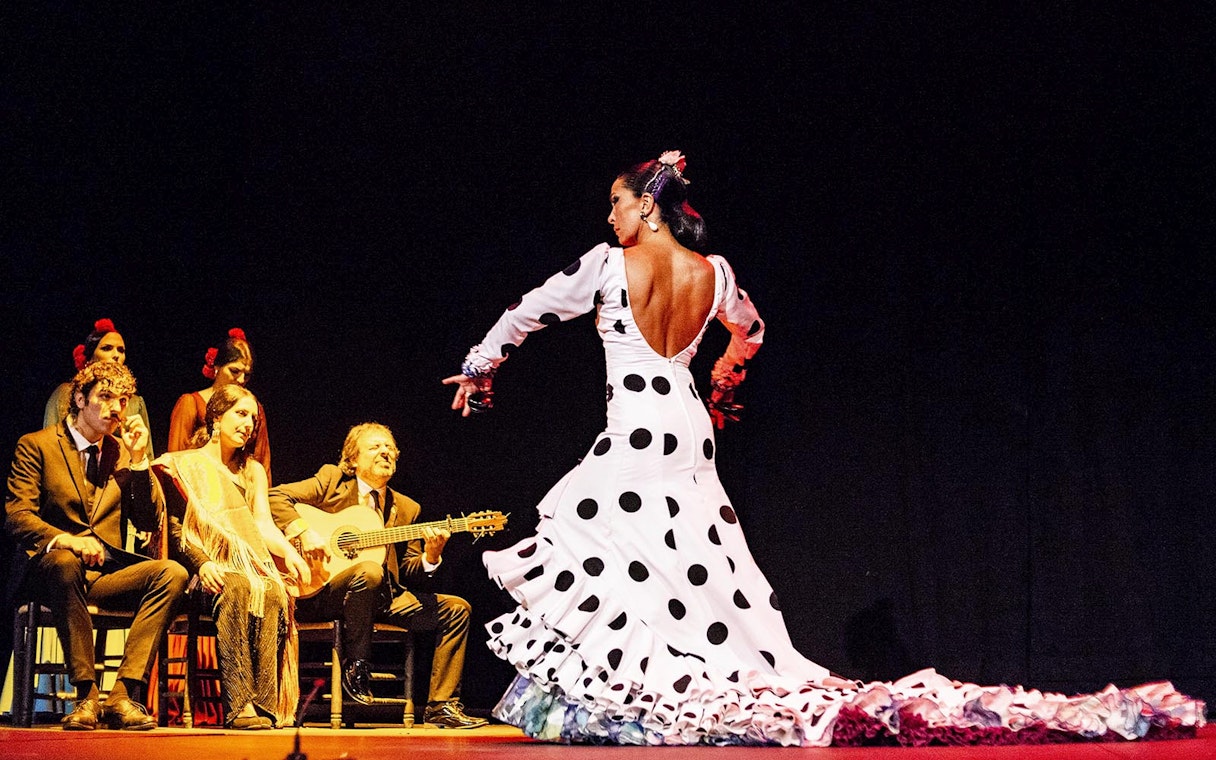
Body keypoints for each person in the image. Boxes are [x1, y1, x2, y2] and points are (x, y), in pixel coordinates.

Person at [444, 151, 1206, 746]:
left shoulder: (611, 264)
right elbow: (752, 330)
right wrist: (723, 376)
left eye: (616, 202)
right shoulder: (716, 273)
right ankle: (641, 700)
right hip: (684, 424)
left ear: (647, 206)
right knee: (687, 564)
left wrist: (479, 368)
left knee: (591, 536)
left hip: (639, 422)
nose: (609, 215)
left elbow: (527, 311)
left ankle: (638, 702)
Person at [5, 360, 189, 731]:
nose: (116, 408)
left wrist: (140, 463)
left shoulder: (121, 452)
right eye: (105, 397)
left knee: (172, 573)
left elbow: (148, 522)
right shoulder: (37, 446)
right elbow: (17, 516)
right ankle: (86, 695)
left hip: (104, 574)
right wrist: (67, 541)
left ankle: (121, 695)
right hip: (50, 572)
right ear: (79, 397)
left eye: (122, 400)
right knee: (64, 563)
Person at [269, 423, 488, 729]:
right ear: (353, 459)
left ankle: (442, 706)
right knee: (369, 571)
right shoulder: (331, 481)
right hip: (324, 592)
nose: (385, 452)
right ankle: (357, 666)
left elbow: (411, 570)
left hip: (384, 597)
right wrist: (304, 533)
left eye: (390, 448)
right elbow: (275, 496)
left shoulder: (407, 508)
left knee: (456, 609)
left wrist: (431, 556)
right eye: (375, 447)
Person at [155, 385, 309, 729]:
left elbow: (263, 526)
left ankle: (266, 704)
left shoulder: (251, 470)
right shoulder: (185, 465)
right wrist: (204, 562)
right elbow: (176, 529)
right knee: (237, 586)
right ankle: (239, 706)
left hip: (247, 565)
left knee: (272, 591)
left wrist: (290, 555)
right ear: (215, 416)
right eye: (241, 414)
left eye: (253, 418)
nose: (249, 424)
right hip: (200, 566)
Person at [168, 327, 271, 482]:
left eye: (247, 375)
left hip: (243, 487)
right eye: (235, 371)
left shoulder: (253, 409)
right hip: (198, 486)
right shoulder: (191, 403)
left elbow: (262, 460)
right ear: (217, 367)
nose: (242, 380)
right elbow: (176, 458)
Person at [45, 318, 154, 459]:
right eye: (107, 348)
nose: (116, 355)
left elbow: (147, 455)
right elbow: (51, 443)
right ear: (90, 358)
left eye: (121, 350)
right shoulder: (66, 393)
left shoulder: (134, 402)